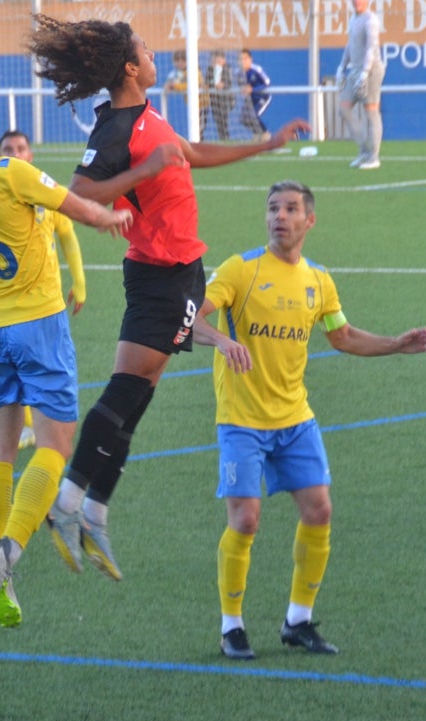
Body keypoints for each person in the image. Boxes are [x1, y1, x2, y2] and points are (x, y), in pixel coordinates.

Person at [26, 14, 309, 580]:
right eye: (148, 52)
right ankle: (66, 502)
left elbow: (191, 154)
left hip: (179, 273)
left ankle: (97, 510)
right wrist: (145, 171)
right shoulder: (118, 127)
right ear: (130, 67)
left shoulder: (151, 116)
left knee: (138, 396)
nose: (157, 58)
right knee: (127, 389)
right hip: (162, 276)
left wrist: (267, 144)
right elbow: (77, 196)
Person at [195, 181, 426, 659]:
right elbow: (192, 320)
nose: (279, 217)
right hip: (241, 420)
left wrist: (395, 344)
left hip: (295, 419)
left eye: (290, 209)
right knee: (245, 519)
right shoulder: (240, 270)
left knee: (319, 511)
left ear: (309, 221)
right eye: (272, 209)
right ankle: (231, 627)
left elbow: (342, 335)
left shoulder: (318, 280)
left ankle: (298, 621)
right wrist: (221, 341)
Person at [0, 86, 131, 627]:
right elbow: (77, 207)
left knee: (0, 444)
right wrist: (109, 219)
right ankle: (8, 554)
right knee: (57, 445)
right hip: (38, 323)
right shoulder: (11, 172)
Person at [0, 129, 88, 450]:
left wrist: (79, 281)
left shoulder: (47, 192)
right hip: (4, 299)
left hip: (44, 300)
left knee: (42, 366)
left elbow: (67, 235)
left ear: (31, 155)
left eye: (22, 148)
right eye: (9, 149)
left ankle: (42, 424)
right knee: (13, 365)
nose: (16, 154)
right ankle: (26, 425)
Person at [337, 0, 386, 170]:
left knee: (371, 111)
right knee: (343, 108)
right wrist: (342, 67)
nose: (357, 2)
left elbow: (372, 47)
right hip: (355, 70)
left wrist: (365, 72)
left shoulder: (370, 20)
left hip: (371, 70)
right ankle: (364, 151)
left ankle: (374, 157)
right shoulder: (353, 19)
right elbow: (350, 45)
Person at [163, 50, 208, 139]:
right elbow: (169, 83)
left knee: (200, 128)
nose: (180, 63)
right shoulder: (177, 73)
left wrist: (176, 86)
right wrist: (168, 86)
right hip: (192, 104)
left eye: (183, 60)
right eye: (177, 61)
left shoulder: (194, 71)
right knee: (195, 126)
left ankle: (201, 145)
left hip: (202, 103)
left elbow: (193, 85)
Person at [238, 49, 272, 141]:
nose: (243, 61)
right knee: (243, 119)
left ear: (250, 59)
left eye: (245, 59)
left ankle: (266, 134)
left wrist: (253, 89)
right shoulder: (238, 72)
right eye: (241, 59)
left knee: (253, 115)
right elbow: (240, 85)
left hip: (262, 97)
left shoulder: (256, 69)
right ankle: (257, 133)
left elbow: (267, 83)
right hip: (250, 99)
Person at [207, 50, 235, 142]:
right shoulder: (210, 69)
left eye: (218, 61)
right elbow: (207, 81)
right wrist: (207, 85)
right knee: (217, 119)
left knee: (223, 119)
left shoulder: (227, 69)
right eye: (214, 61)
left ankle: (226, 138)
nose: (216, 63)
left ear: (224, 60)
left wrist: (223, 85)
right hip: (214, 99)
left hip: (225, 99)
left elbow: (229, 82)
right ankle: (222, 138)